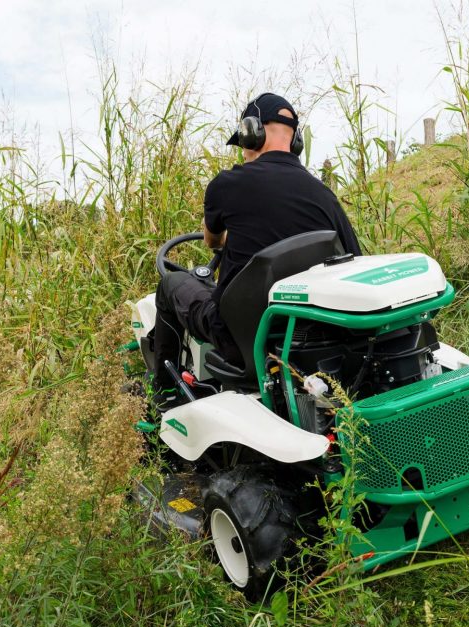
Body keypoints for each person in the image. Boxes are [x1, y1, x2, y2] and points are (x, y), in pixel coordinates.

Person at [152, 92, 361, 400]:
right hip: (308, 338)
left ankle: (162, 397)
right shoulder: (323, 195)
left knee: (171, 283)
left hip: (237, 337)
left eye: (243, 145)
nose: (243, 154)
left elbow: (212, 240)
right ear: (295, 142)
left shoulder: (227, 184)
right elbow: (354, 260)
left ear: (252, 133)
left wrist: (224, 243)